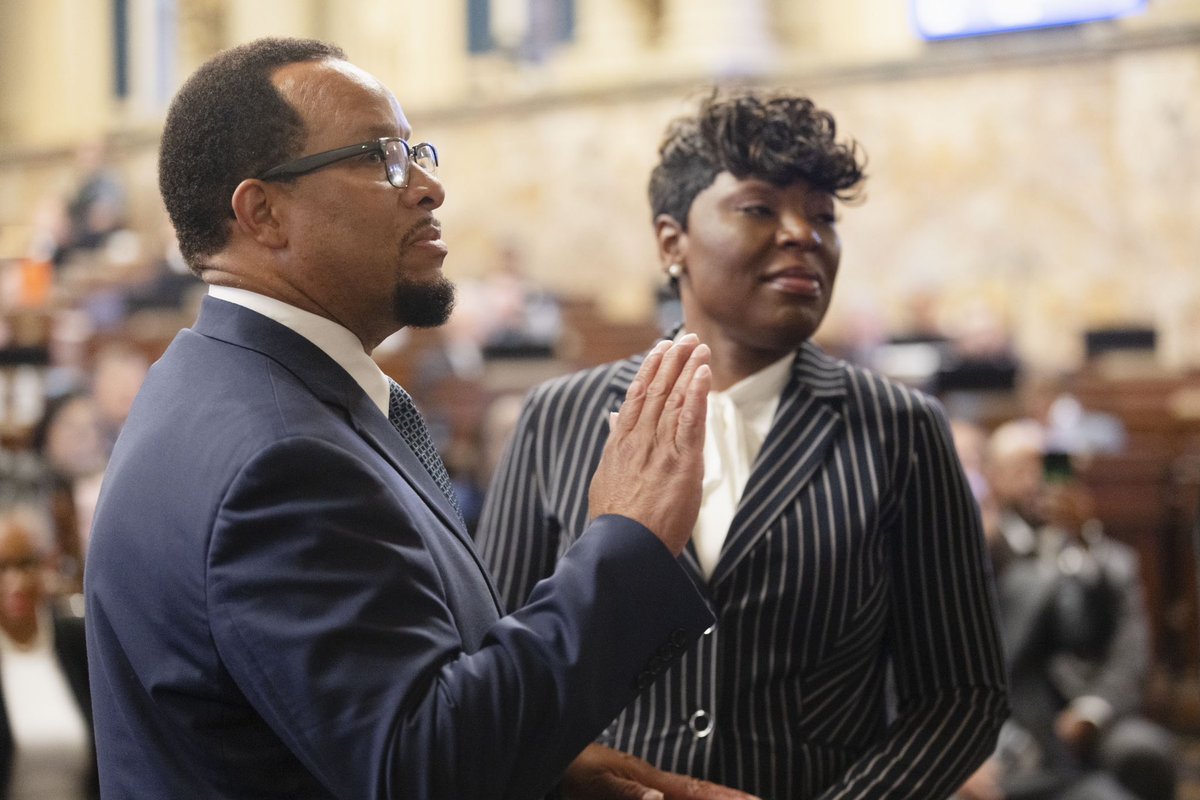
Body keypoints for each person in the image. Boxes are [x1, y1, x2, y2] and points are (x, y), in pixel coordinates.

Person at [84, 37, 755, 800]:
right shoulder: (278, 457)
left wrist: (544, 769)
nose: (428, 187)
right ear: (263, 212)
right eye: (379, 159)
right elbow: (422, 769)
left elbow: (355, 717)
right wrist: (628, 539)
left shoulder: (221, 381)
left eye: (414, 151)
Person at [477, 89, 1010, 799]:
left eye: (823, 215)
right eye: (760, 208)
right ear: (673, 242)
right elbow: (498, 664)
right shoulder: (560, 417)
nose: (803, 234)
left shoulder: (901, 429)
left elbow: (960, 694)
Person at [956, 420, 1177, 800]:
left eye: (1048, 467)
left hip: (1082, 710)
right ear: (990, 477)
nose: (1036, 482)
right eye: (1021, 468)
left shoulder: (1098, 558)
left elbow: (1119, 646)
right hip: (999, 724)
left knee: (1143, 754)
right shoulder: (978, 550)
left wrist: (1092, 711)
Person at [0, 503, 96, 799]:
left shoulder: (77, 641)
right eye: (2, 569)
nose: (15, 581)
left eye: (25, 564)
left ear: (45, 566)